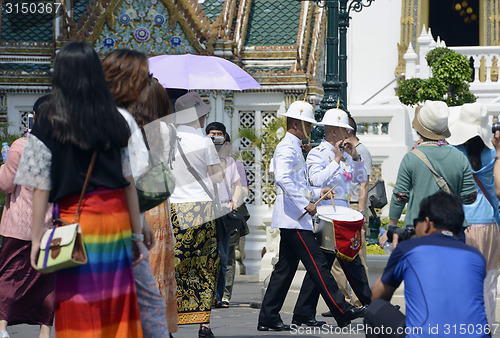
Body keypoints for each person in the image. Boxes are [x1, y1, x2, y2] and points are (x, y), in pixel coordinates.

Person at [15, 42, 143, 337]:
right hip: (115, 223)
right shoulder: (115, 118)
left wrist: (36, 239)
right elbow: (129, 181)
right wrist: (136, 234)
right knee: (117, 305)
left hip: (75, 226)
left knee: (78, 304)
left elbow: (39, 184)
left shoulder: (48, 118)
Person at [257, 101, 364, 331]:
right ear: (296, 124)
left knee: (285, 270)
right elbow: (283, 180)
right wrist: (306, 203)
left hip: (296, 217)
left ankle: (270, 316)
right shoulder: (288, 147)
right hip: (295, 218)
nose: (311, 128)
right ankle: (342, 310)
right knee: (318, 265)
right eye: (307, 124)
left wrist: (317, 194)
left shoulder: (294, 146)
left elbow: (299, 183)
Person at [102, 49, 169, 337]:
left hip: (89, 223)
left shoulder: (86, 114)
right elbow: (131, 179)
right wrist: (137, 231)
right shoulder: (124, 121)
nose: (148, 84)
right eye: (144, 78)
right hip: (121, 223)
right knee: (151, 305)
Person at [366, 191, 489, 338]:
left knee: (374, 309)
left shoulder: (408, 249)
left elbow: (377, 296)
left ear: (427, 223)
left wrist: (396, 254)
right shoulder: (476, 256)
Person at [293, 107, 371, 323]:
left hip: (344, 213)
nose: (348, 134)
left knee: (339, 262)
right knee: (326, 265)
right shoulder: (318, 153)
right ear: (334, 131)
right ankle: (368, 305)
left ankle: (303, 313)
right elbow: (316, 180)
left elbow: (359, 178)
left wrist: (354, 157)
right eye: (344, 130)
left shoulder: (348, 153)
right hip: (327, 214)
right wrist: (336, 160)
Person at [380, 100, 477, 250]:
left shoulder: (411, 158)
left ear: (420, 129)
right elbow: (470, 197)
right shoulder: (460, 158)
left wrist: (391, 227)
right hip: (453, 229)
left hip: (419, 230)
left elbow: (400, 196)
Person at [169, 92, 223, 338]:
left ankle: (169, 321)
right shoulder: (204, 142)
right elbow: (216, 179)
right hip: (200, 209)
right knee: (205, 266)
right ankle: (203, 323)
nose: (205, 118)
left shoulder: (167, 140)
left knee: (174, 266)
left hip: (174, 209)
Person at [0, 95, 54, 338]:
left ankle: (2, 328)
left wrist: (4, 164)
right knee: (48, 283)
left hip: (19, 226)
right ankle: (45, 332)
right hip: (52, 225)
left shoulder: (21, 146)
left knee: (9, 276)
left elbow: (6, 185)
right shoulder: (65, 147)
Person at [446, 102, 500, 327]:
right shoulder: (492, 154)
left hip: (464, 224)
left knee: (463, 282)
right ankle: (485, 326)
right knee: (489, 284)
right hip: (490, 224)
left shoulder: (452, 153)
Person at [205, 122, 242, 308]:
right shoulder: (201, 158)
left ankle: (219, 296)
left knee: (223, 255)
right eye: (212, 134)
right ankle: (206, 294)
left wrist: (234, 200)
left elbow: (237, 184)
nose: (216, 137)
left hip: (223, 210)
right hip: (205, 209)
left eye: (219, 134)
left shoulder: (230, 162)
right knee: (205, 254)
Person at [338, 115, 372, 307]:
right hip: (343, 205)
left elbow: (363, 184)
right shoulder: (344, 151)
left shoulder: (361, 152)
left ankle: (362, 299)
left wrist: (360, 211)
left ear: (348, 131)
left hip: (354, 206)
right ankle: (342, 300)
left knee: (358, 255)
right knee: (339, 256)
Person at [221, 157, 250, 307]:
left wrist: (234, 202)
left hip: (229, 213)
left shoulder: (235, 164)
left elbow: (244, 189)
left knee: (229, 254)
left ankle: (225, 294)